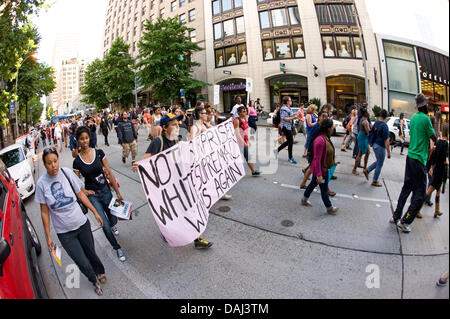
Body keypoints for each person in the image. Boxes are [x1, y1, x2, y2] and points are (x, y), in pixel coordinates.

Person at [132, 113, 214, 249]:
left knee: (189, 209)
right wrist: (138, 165)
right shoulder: (158, 142)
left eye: (178, 124)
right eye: (174, 125)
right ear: (165, 127)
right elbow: (146, 160)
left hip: (180, 183)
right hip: (165, 187)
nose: (178, 126)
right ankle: (169, 233)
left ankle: (197, 238)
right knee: (173, 214)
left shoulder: (177, 141)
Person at [35, 147, 106, 296]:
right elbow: (44, 211)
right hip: (65, 233)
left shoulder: (67, 173)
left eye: (55, 161)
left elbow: (81, 195)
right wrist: (48, 236)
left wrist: (95, 212)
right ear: (44, 164)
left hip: (81, 224)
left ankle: (99, 271)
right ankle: (93, 279)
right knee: (81, 261)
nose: (53, 165)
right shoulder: (41, 184)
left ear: (58, 160)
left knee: (91, 253)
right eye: (49, 163)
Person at [73, 126, 126, 262]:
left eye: (86, 138)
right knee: (104, 224)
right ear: (77, 141)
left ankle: (113, 225)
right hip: (93, 196)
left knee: (113, 218)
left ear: (89, 138)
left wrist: (118, 193)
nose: (84, 141)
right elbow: (76, 183)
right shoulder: (77, 162)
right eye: (81, 139)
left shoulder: (99, 153)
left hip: (106, 191)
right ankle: (117, 247)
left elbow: (109, 172)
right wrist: (85, 191)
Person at [391, 93, 437, 233]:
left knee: (407, 188)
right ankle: (405, 220)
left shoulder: (415, 118)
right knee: (420, 193)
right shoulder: (426, 120)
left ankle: (396, 215)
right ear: (425, 105)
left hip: (410, 157)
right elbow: (433, 138)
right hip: (419, 159)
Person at [301, 119, 339, 215]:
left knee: (313, 184)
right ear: (328, 128)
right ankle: (329, 207)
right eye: (332, 127)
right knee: (324, 189)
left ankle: (304, 199)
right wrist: (319, 174)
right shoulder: (320, 141)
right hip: (321, 171)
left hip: (322, 169)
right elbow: (317, 159)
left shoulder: (325, 138)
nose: (333, 128)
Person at [417, 123, 448, 219]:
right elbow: (444, 160)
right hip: (440, 171)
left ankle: (437, 210)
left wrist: (431, 167)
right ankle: (417, 209)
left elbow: (434, 155)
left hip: (436, 169)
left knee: (437, 191)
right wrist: (447, 162)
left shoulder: (438, 142)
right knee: (429, 191)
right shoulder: (445, 144)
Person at [364, 109, 391, 187]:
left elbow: (371, 132)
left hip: (375, 144)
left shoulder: (376, 123)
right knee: (380, 163)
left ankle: (367, 170)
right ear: (386, 116)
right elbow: (386, 140)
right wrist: (388, 152)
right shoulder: (384, 126)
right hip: (380, 146)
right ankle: (375, 180)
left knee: (379, 161)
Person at [234, 106, 261, 176]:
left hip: (244, 141)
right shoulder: (236, 120)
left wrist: (248, 140)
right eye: (243, 111)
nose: (245, 112)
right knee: (246, 156)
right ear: (239, 113)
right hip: (238, 143)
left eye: (245, 111)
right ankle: (253, 171)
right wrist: (244, 143)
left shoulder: (244, 119)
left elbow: (246, 131)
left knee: (247, 156)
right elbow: (237, 133)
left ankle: (253, 171)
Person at [276, 96, 297, 164]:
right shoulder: (284, 108)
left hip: (289, 126)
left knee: (289, 141)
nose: (291, 101)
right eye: (290, 100)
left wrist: (294, 114)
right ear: (287, 101)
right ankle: (290, 158)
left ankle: (276, 150)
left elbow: (288, 115)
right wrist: (293, 117)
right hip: (285, 127)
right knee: (290, 142)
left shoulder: (288, 108)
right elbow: (284, 118)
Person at [352, 108, 371, 178]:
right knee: (360, 154)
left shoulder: (362, 119)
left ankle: (364, 168)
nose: (368, 113)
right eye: (367, 112)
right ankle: (355, 169)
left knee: (367, 152)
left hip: (362, 136)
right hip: (363, 137)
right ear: (365, 113)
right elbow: (368, 131)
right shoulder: (365, 121)